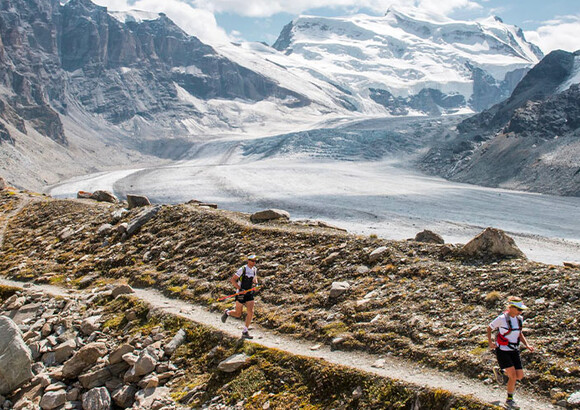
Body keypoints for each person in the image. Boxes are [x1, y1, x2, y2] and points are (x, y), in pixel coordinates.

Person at [487, 296, 535, 410]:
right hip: (503, 350)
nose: (520, 312)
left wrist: (527, 345)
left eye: (521, 310)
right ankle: (509, 400)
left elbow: (519, 333)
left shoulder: (520, 319)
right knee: (513, 376)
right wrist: (490, 343)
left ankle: (501, 372)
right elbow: (489, 328)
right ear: (511, 308)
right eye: (519, 309)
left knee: (519, 376)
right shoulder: (501, 318)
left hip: (514, 350)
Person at [221, 254, 259, 339]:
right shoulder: (243, 269)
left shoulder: (254, 270)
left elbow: (255, 279)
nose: (254, 262)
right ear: (248, 260)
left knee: (251, 311)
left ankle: (245, 331)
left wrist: (256, 285)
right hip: (240, 294)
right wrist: (240, 289)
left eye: (255, 261)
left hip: (249, 293)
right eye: (252, 260)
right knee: (238, 314)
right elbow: (233, 280)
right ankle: (227, 312)